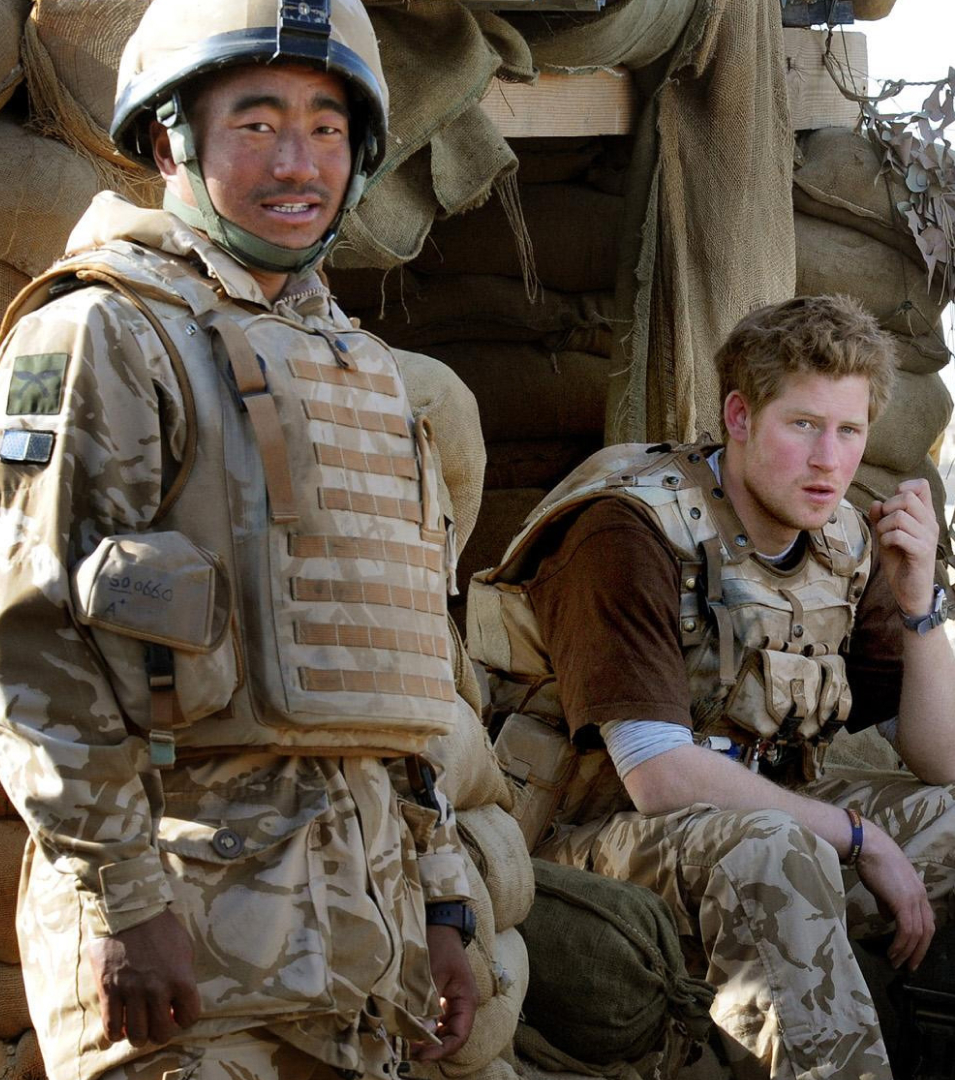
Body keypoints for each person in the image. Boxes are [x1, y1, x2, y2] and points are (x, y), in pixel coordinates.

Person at [467, 295, 955, 1080]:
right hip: (589, 835)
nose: (828, 461)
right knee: (775, 843)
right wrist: (859, 838)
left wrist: (920, 603)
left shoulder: (840, 540)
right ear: (739, 417)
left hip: (767, 819)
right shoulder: (629, 531)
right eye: (802, 425)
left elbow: (944, 761)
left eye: (849, 431)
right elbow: (661, 778)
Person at [0, 1, 479, 1076]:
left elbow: (402, 656)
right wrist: (125, 907)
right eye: (255, 124)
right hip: (188, 942)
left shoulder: (361, 370)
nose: (296, 161)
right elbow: (37, 647)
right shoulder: (100, 332)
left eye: (324, 127)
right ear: (171, 140)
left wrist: (443, 899)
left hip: (360, 950)